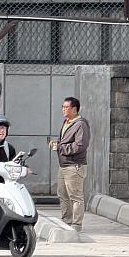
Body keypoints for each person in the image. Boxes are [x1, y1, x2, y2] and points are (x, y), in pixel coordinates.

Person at [51, 97, 90, 232]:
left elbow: (80, 145)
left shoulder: (81, 124)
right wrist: (57, 143)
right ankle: (66, 221)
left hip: (74, 165)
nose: (63, 109)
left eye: (66, 107)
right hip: (64, 165)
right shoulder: (67, 122)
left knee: (75, 196)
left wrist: (61, 148)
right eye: (62, 107)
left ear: (74, 109)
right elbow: (66, 141)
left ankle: (76, 225)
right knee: (62, 194)